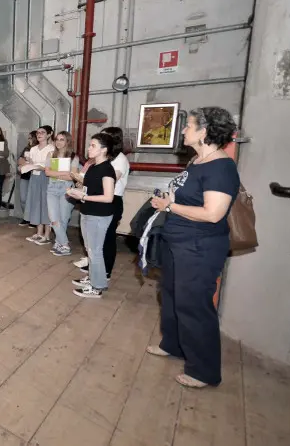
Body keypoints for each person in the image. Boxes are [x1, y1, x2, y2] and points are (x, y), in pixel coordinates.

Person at [147, 107, 240, 388]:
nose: (184, 130)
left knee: (195, 305)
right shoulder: (197, 162)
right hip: (179, 241)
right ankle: (173, 344)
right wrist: (170, 199)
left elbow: (213, 213)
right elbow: (190, 197)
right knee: (172, 295)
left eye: (188, 126)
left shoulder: (220, 167)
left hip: (199, 246)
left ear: (204, 131)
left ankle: (203, 370)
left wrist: (170, 206)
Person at [67, 133, 116, 299]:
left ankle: (97, 287)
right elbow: (90, 190)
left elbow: (108, 197)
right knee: (90, 250)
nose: (89, 148)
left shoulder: (107, 169)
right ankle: (94, 279)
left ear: (104, 149)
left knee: (95, 251)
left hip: (99, 215)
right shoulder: (93, 167)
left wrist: (83, 197)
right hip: (88, 211)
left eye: (93, 145)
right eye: (90, 145)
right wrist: (77, 192)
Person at [101, 127, 130, 279]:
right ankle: (96, 266)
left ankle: (106, 270)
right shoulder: (108, 158)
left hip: (113, 200)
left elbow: (111, 180)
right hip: (102, 199)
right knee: (98, 238)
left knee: (107, 237)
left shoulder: (120, 160)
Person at [44, 131, 79, 256]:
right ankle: (65, 244)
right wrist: (64, 173)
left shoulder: (74, 157)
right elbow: (47, 173)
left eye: (62, 139)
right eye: (57, 139)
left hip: (66, 190)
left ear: (67, 141)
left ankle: (59, 243)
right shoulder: (50, 154)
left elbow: (72, 177)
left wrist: (57, 173)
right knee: (54, 219)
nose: (58, 142)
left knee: (63, 219)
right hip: (52, 189)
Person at [25, 125, 55, 243]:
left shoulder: (51, 149)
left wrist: (39, 166)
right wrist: (26, 165)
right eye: (38, 132)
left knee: (45, 205)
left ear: (49, 134)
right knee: (36, 204)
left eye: (42, 132)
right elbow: (30, 163)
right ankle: (38, 232)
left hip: (46, 178)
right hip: (34, 178)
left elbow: (51, 167)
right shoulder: (33, 149)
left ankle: (47, 235)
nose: (39, 134)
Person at [17, 131, 37, 227]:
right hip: (25, 176)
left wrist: (27, 163)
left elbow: (36, 163)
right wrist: (27, 163)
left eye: (30, 138)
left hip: (35, 176)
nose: (28, 140)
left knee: (33, 199)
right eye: (28, 138)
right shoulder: (26, 148)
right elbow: (19, 160)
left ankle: (33, 219)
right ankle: (26, 217)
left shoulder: (38, 149)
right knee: (23, 198)